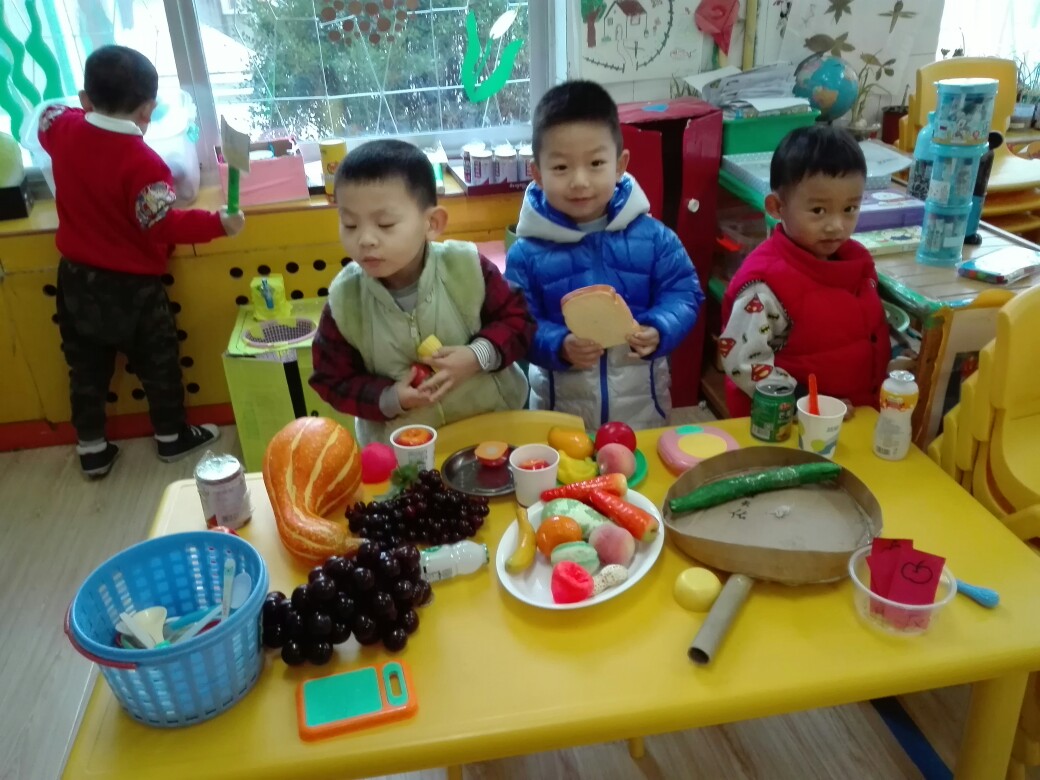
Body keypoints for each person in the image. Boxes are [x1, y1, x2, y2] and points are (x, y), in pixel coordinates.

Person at [39, 45, 245, 479]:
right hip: (133, 287)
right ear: (149, 109)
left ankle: (92, 449)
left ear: (86, 98)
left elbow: (47, 115)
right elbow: (162, 223)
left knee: (85, 369)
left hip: (75, 278)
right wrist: (218, 224)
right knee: (158, 364)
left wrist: (83, 111)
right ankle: (171, 437)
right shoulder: (144, 162)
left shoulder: (63, 130)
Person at [505, 80, 702, 431]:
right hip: (559, 413)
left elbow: (684, 293)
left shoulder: (654, 237)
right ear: (537, 174)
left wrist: (660, 327)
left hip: (642, 408)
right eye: (561, 167)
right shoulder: (527, 253)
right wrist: (559, 345)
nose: (580, 181)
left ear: (620, 164)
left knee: (639, 466)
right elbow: (517, 322)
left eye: (596, 163)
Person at [310, 139, 534, 446]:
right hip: (407, 448)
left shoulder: (466, 267)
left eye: (385, 224)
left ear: (432, 223)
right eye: (350, 225)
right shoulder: (345, 300)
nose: (365, 240)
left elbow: (519, 321)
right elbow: (331, 379)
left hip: (493, 427)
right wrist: (389, 398)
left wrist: (476, 356)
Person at [720, 125, 890, 417]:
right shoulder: (764, 284)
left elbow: (866, 332)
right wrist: (805, 402)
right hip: (786, 426)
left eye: (850, 209)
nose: (836, 225)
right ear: (777, 207)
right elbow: (743, 363)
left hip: (855, 418)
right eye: (818, 211)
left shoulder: (858, 262)